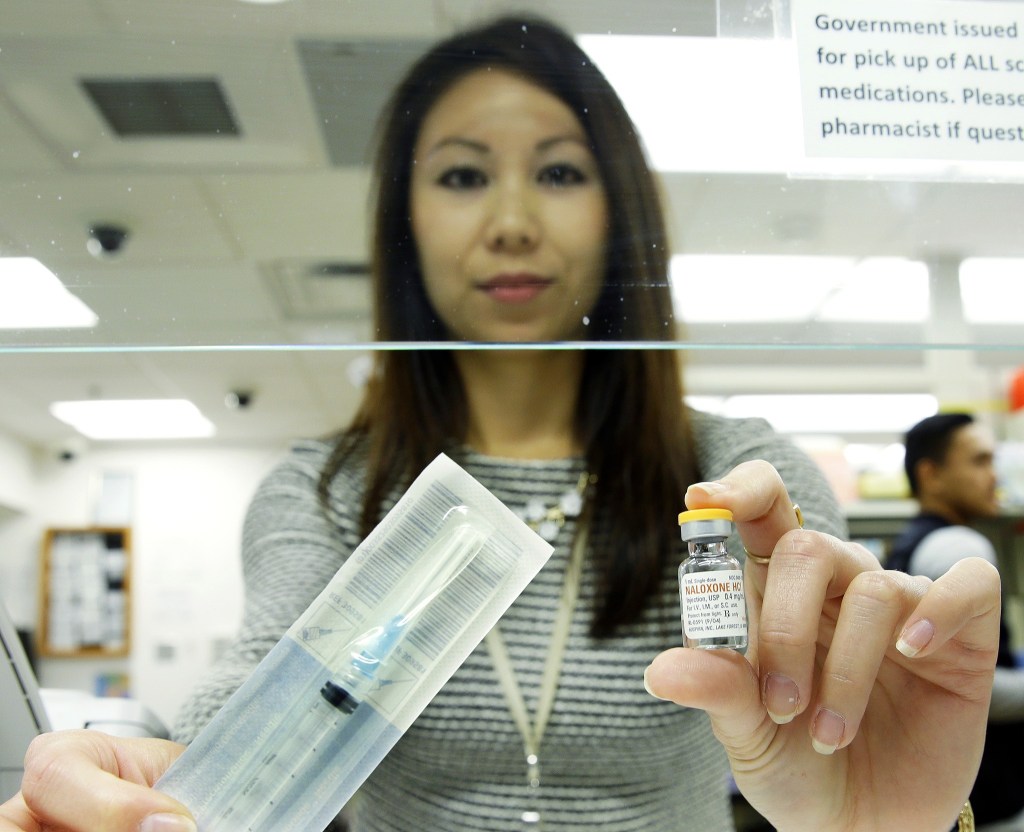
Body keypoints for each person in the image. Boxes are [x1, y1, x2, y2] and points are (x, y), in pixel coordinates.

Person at [0, 15, 1002, 832]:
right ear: (409, 220)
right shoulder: (328, 489)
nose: (512, 218)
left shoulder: (734, 481)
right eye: (463, 174)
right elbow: (267, 668)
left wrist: (897, 822)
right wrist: (166, 781)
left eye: (561, 172)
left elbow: (832, 737)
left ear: (620, 213)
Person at [889, 413, 1024, 831]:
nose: (993, 476)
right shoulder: (960, 547)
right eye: (979, 461)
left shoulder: (912, 543)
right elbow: (959, 678)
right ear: (931, 474)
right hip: (979, 790)